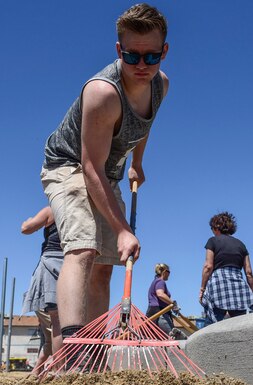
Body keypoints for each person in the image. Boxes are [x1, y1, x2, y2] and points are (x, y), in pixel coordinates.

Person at [40, 3, 169, 343]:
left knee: (106, 265)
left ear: (164, 52)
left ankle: (94, 355)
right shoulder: (102, 92)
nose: (142, 66)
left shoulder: (160, 86)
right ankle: (73, 346)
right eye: (132, 56)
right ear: (118, 50)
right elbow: (88, 166)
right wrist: (123, 228)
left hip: (107, 172)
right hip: (69, 165)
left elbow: (145, 123)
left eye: (152, 57)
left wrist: (137, 162)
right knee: (83, 248)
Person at [21, 206, 63, 374]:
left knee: (56, 325)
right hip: (73, 264)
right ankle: (43, 371)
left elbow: (25, 228)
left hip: (52, 265)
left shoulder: (52, 209)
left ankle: (56, 370)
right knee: (61, 328)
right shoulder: (82, 207)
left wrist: (28, 220)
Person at [199, 211, 253, 324]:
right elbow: (248, 273)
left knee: (212, 326)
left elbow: (208, 266)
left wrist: (202, 289)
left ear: (216, 227)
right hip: (239, 288)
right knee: (238, 326)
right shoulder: (241, 245)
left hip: (218, 285)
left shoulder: (212, 241)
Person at [146, 263, 177, 335]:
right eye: (169, 272)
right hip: (160, 313)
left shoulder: (155, 281)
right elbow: (160, 294)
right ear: (165, 272)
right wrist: (173, 303)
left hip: (154, 313)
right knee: (172, 337)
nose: (169, 274)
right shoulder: (160, 281)